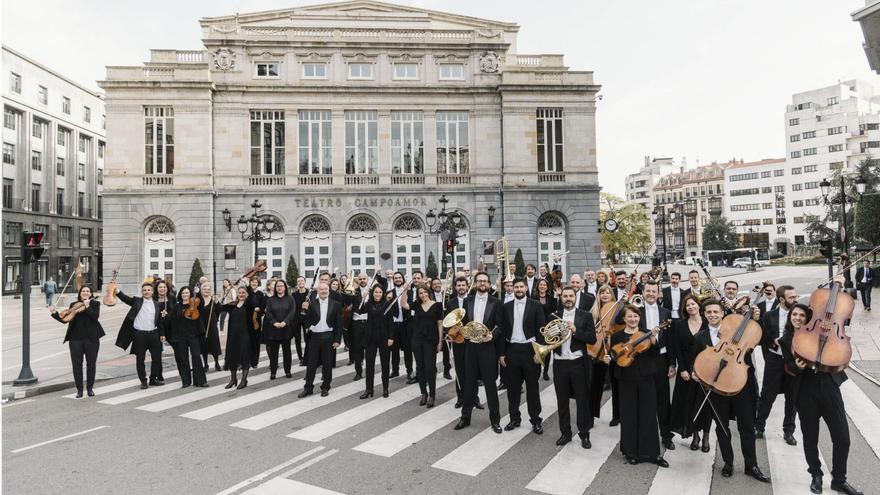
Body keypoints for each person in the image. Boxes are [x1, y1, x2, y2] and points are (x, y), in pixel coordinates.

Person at [778, 303, 864, 495]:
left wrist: (839, 285)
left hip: (829, 387)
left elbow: (838, 317)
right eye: (794, 315)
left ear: (808, 318)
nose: (798, 318)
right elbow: (787, 367)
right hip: (804, 392)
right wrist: (796, 367)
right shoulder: (785, 340)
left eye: (802, 315)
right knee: (810, 438)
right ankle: (816, 475)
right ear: (789, 317)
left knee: (843, 437)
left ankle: (839, 480)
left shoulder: (819, 332)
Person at [692, 300, 770, 482]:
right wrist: (696, 373)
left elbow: (763, 340)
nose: (712, 315)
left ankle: (752, 465)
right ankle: (728, 462)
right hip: (716, 387)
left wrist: (758, 321)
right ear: (705, 315)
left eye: (715, 312)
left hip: (740, 382)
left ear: (722, 314)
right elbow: (694, 360)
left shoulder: (740, 330)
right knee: (722, 427)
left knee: (747, 427)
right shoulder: (700, 337)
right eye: (709, 312)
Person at [603, 305, 668, 467]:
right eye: (629, 317)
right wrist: (608, 359)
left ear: (639, 318)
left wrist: (653, 340)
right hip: (626, 380)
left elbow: (655, 355)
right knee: (629, 416)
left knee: (648, 415)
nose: (633, 319)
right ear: (624, 319)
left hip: (646, 378)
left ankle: (652, 453)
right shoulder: (618, 336)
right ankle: (630, 452)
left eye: (635, 316)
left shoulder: (646, 332)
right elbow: (615, 357)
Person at [454, 271, 503, 433]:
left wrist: (492, 335)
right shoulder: (467, 301)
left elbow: (500, 326)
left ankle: (495, 420)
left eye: (485, 281)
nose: (482, 283)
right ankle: (465, 418)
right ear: (475, 284)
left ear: (489, 284)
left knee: (490, 385)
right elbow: (463, 323)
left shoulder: (496, 302)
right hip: (471, 348)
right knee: (469, 384)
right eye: (479, 281)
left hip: (488, 348)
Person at [499, 278, 547, 433]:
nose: (518, 289)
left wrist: (538, 353)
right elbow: (501, 332)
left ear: (526, 288)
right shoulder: (505, 307)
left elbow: (542, 331)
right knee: (512, 388)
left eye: (521, 286)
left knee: (533, 387)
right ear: (512, 289)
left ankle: (536, 420)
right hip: (511, 350)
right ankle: (514, 419)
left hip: (530, 351)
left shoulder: (536, 305)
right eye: (516, 287)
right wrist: (501, 354)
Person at [552, 286, 596, 448]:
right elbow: (547, 338)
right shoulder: (554, 316)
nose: (568, 298)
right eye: (565, 296)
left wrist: (576, 330)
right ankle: (565, 433)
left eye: (571, 295)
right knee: (562, 400)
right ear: (561, 298)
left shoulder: (585, 315)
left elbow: (592, 339)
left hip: (578, 363)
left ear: (575, 297)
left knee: (582, 400)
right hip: (559, 363)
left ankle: (584, 434)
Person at [755, 284, 799, 445]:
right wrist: (773, 343)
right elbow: (762, 337)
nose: (795, 299)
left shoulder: (800, 314)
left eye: (795, 296)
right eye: (791, 297)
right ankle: (759, 427)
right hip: (775, 360)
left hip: (793, 361)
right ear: (781, 299)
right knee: (767, 395)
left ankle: (789, 432)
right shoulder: (769, 315)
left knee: (792, 397)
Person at [669, 294, 711, 452]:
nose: (691, 307)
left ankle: (706, 437)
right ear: (684, 309)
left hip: (706, 369)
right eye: (688, 305)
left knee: (705, 405)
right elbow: (677, 348)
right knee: (690, 404)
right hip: (687, 369)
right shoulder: (679, 325)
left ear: (699, 305)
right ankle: (695, 435)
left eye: (693, 304)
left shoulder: (709, 322)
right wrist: (683, 370)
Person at [639, 281, 675, 450]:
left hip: (661, 361)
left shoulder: (666, 312)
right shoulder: (635, 311)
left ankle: (666, 435)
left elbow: (670, 341)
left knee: (663, 400)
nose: (651, 294)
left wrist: (671, 364)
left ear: (658, 293)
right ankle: (646, 435)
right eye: (648, 291)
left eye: (654, 291)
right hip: (643, 360)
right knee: (645, 399)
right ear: (643, 292)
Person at [50, 285, 104, 397]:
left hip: (91, 339)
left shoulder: (95, 304)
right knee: (76, 365)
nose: (85, 292)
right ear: (80, 293)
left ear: (91, 294)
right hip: (75, 339)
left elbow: (95, 317)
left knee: (91, 364)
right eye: (83, 291)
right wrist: (54, 313)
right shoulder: (73, 305)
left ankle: (90, 389)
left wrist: (88, 306)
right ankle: (79, 390)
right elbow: (65, 319)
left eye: (87, 291)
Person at [114, 282, 165, 389]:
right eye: (144, 290)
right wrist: (116, 290)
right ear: (142, 292)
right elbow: (125, 298)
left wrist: (162, 334)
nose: (146, 292)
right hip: (139, 335)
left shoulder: (157, 304)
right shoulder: (136, 301)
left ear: (152, 292)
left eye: (148, 290)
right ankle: (143, 380)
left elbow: (160, 321)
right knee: (140, 359)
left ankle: (153, 379)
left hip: (153, 334)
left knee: (157, 358)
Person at [299, 282, 343, 397]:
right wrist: (304, 313)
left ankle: (325, 387)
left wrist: (337, 340)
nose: (324, 291)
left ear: (328, 290)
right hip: (314, 337)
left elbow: (339, 324)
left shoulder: (336, 304)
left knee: (327, 363)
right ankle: (308, 388)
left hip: (329, 336)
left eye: (325, 289)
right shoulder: (312, 304)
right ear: (317, 291)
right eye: (321, 289)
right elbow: (305, 319)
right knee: (311, 363)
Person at [402, 285, 443, 407]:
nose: (423, 295)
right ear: (418, 295)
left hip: (431, 340)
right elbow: (403, 304)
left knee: (430, 368)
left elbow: (440, 324)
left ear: (428, 293)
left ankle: (432, 395)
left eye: (425, 292)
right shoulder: (416, 304)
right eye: (420, 293)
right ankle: (423, 394)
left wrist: (440, 341)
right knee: (420, 367)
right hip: (417, 339)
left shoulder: (437, 305)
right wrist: (405, 291)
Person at [590, 285, 621, 425]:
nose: (605, 295)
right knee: (595, 384)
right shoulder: (594, 311)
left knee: (616, 384)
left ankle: (617, 416)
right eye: (602, 292)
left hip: (612, 349)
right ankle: (592, 414)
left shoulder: (617, 308)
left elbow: (620, 326)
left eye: (608, 292)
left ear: (612, 295)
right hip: (596, 350)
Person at [356, 285, 394, 398]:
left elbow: (391, 323)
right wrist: (362, 298)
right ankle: (369, 389)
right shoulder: (368, 304)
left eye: (380, 292)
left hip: (384, 337)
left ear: (383, 294)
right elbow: (360, 310)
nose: (378, 294)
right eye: (376, 292)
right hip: (370, 338)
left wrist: (391, 338)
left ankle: (385, 388)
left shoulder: (387, 304)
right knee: (369, 365)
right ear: (373, 293)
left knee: (385, 364)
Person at [218, 286, 253, 389]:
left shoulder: (248, 305)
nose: (241, 294)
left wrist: (248, 286)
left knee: (244, 356)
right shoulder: (233, 305)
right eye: (239, 293)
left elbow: (252, 300)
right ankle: (233, 379)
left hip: (245, 335)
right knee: (232, 356)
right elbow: (221, 307)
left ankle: (243, 380)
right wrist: (223, 296)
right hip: (233, 335)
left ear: (246, 294)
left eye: (243, 293)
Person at [173, 287, 208, 388]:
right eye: (183, 293)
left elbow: (201, 304)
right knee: (183, 358)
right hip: (181, 336)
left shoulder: (194, 303)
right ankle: (186, 381)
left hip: (193, 334)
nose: (185, 294)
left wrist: (198, 292)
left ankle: (200, 381)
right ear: (180, 294)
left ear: (190, 294)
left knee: (196, 356)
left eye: (187, 293)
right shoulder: (177, 306)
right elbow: (172, 319)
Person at [264, 280, 296, 380]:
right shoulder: (270, 300)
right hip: (274, 329)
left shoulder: (290, 299)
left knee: (287, 352)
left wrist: (285, 321)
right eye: (278, 286)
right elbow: (268, 313)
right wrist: (274, 322)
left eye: (282, 286)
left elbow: (292, 311)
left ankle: (288, 371)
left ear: (285, 287)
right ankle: (273, 372)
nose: (279, 288)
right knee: (273, 353)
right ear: (275, 288)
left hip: (286, 329)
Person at [386, 272, 414, 381]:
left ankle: (409, 371)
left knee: (407, 350)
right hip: (393, 325)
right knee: (394, 350)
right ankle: (395, 370)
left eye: (399, 278)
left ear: (403, 279)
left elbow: (411, 305)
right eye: (395, 278)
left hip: (405, 324)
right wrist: (387, 299)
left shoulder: (410, 292)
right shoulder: (389, 293)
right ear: (393, 280)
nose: (397, 279)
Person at [198, 281, 223, 372]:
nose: (206, 291)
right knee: (203, 345)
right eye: (204, 289)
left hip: (211, 325)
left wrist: (217, 302)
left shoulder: (213, 299)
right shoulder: (198, 299)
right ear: (201, 290)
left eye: (208, 289)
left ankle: (217, 363)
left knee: (214, 344)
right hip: (201, 325)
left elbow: (219, 310)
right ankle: (205, 364)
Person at [292, 276, 308, 365]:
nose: (300, 282)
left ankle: (306, 356)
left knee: (307, 339)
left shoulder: (310, 293)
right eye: (298, 281)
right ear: (297, 283)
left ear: (305, 282)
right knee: (297, 340)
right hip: (296, 320)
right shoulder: (294, 295)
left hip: (307, 320)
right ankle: (300, 358)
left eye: (302, 280)